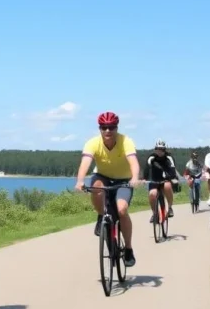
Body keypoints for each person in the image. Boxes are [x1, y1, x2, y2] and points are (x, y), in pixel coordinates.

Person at [73, 111, 141, 267]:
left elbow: (134, 162)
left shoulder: (126, 141)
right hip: (102, 176)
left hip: (124, 180)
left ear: (117, 128)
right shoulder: (92, 143)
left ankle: (128, 249)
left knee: (122, 210)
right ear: (100, 129)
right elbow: (85, 162)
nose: (108, 131)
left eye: (111, 127)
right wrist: (80, 181)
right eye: (104, 127)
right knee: (96, 187)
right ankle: (101, 215)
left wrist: (135, 178)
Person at [142, 139, 180, 223]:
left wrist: (173, 177)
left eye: (162, 149)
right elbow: (147, 168)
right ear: (155, 149)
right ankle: (155, 213)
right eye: (158, 149)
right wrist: (144, 178)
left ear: (164, 150)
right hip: (154, 180)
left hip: (166, 179)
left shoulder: (169, 157)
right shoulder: (151, 157)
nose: (159, 151)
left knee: (167, 186)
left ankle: (170, 208)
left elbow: (173, 168)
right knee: (152, 194)